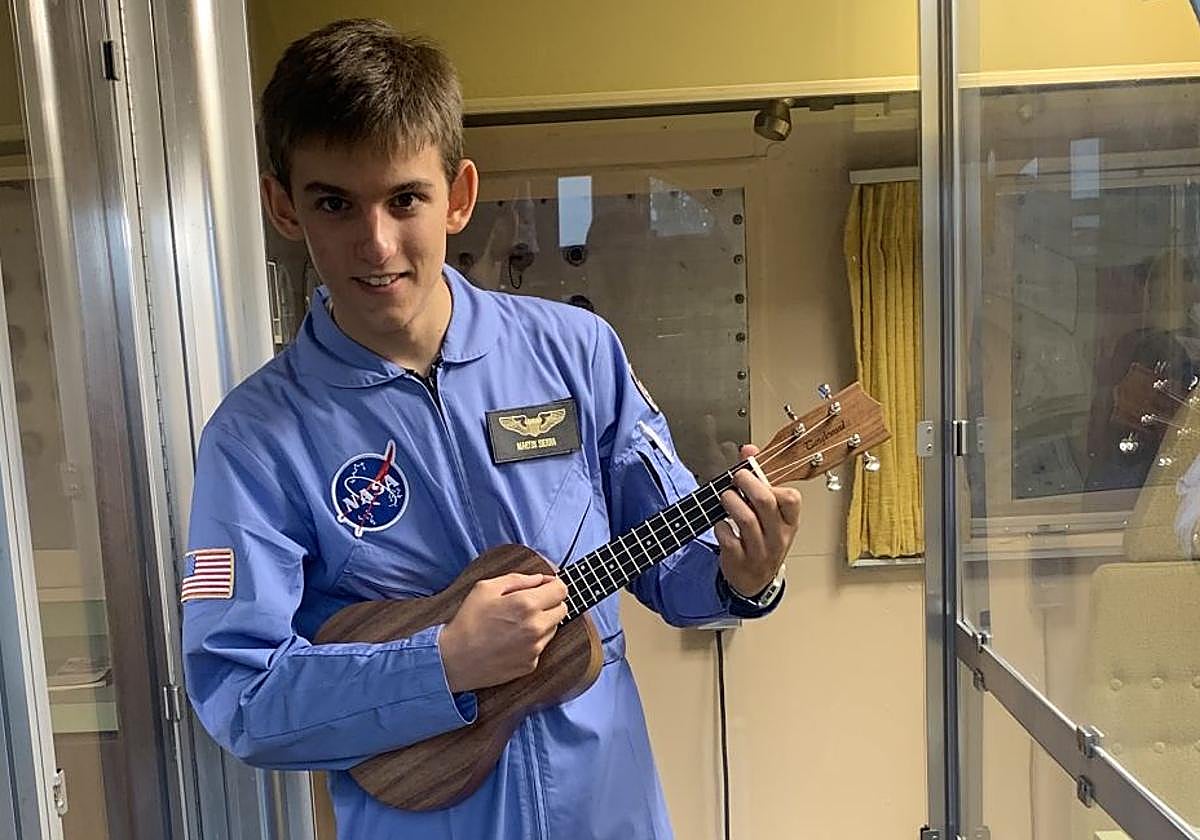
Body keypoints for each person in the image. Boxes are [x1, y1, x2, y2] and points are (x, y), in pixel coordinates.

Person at [181, 18, 801, 839]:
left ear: (459, 196)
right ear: (283, 207)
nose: (375, 243)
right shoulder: (255, 438)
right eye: (335, 202)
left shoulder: (575, 353)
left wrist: (741, 575)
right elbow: (243, 698)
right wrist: (440, 665)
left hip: (608, 815)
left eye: (405, 199)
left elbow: (676, 568)